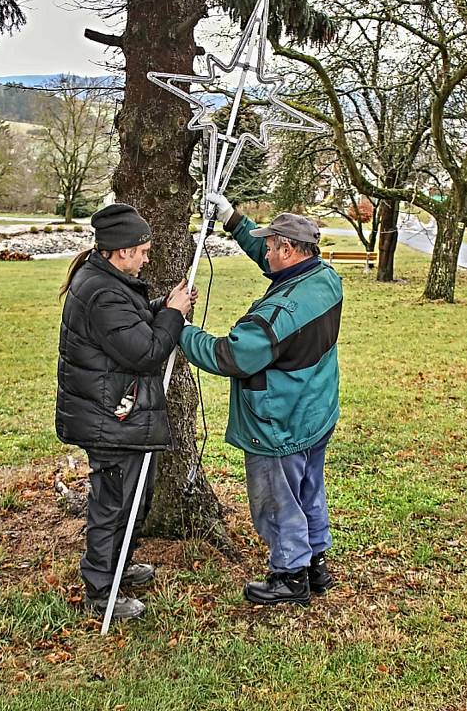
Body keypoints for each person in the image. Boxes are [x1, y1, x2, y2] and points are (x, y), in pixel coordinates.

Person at [179, 193, 343, 606]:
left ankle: (290, 575)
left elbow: (229, 355)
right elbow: (270, 259)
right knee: (308, 488)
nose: (265, 250)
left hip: (279, 420)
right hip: (314, 410)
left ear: (288, 250)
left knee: (277, 498)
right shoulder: (322, 277)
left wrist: (178, 327)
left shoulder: (277, 316)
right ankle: (315, 562)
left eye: (271, 246)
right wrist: (233, 220)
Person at [56, 203, 195, 620]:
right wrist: (173, 314)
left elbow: (129, 327)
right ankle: (102, 590)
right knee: (113, 504)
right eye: (143, 251)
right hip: (110, 418)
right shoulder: (101, 291)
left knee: (135, 498)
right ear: (120, 251)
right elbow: (147, 352)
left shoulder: (108, 281)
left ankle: (119, 566)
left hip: (117, 412)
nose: (147, 258)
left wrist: (162, 306)